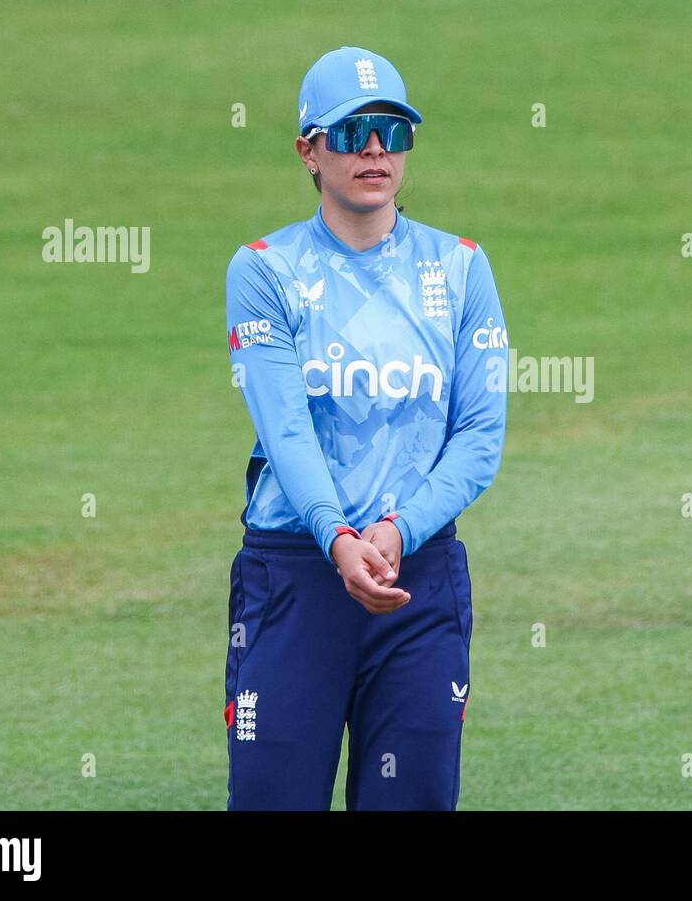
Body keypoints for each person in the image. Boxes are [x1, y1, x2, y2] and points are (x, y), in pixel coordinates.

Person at [222, 46, 508, 810]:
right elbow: (285, 431)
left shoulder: (460, 269)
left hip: (415, 578)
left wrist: (398, 531)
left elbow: (479, 437)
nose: (375, 149)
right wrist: (341, 539)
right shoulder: (264, 271)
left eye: (392, 130)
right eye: (351, 134)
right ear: (309, 152)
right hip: (296, 577)